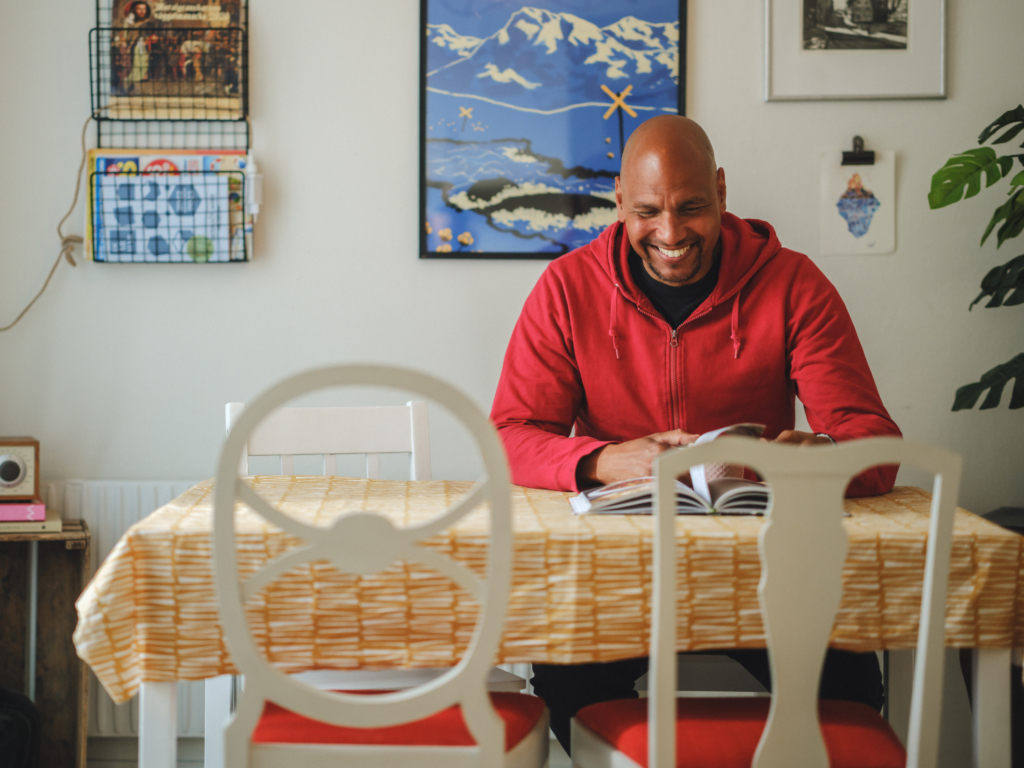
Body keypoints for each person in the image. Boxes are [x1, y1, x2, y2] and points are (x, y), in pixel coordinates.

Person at [490, 115, 902, 755]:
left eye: (692, 208)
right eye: (649, 210)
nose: (671, 233)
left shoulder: (793, 284)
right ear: (620, 202)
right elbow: (512, 434)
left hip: (770, 570)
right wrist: (604, 460)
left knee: (848, 692)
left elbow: (872, 441)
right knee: (567, 688)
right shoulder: (567, 288)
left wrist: (822, 458)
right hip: (615, 575)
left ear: (722, 192)